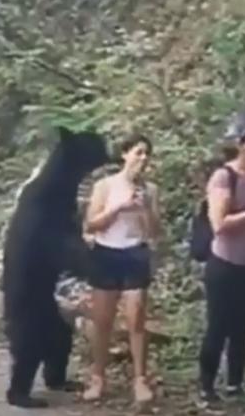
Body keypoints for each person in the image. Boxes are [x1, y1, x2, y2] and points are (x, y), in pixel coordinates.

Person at [197, 113, 245, 409]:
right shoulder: (223, 177)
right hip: (226, 264)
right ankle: (206, 386)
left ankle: (235, 382)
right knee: (219, 325)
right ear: (242, 143)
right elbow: (219, 223)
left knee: (244, 326)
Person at [81, 133, 161, 404]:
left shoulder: (150, 190)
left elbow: (155, 231)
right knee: (102, 321)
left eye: (147, 154)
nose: (143, 158)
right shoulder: (105, 186)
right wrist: (119, 208)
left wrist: (145, 208)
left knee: (136, 318)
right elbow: (91, 224)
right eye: (138, 152)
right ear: (125, 154)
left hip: (135, 253)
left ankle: (140, 379)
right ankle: (98, 377)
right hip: (106, 253)